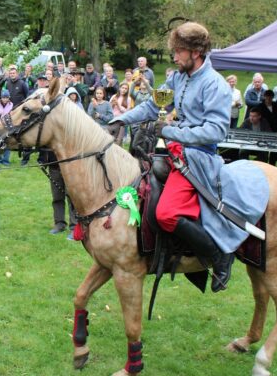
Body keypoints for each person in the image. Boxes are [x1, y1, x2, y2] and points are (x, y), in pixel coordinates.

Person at [110, 22, 268, 292]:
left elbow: (217, 131)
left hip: (199, 159)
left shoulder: (215, 85)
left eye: (179, 51)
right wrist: (120, 120)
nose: (174, 57)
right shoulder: (177, 78)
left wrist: (172, 131)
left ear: (196, 51)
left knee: (166, 214)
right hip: (173, 152)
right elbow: (152, 106)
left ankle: (219, 258)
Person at [0, 89, 13, 165]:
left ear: (9, 98)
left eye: (6, 97)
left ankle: (6, 160)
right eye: (3, 97)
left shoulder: (11, 105)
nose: (5, 99)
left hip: (8, 125)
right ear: (1, 98)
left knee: (7, 143)